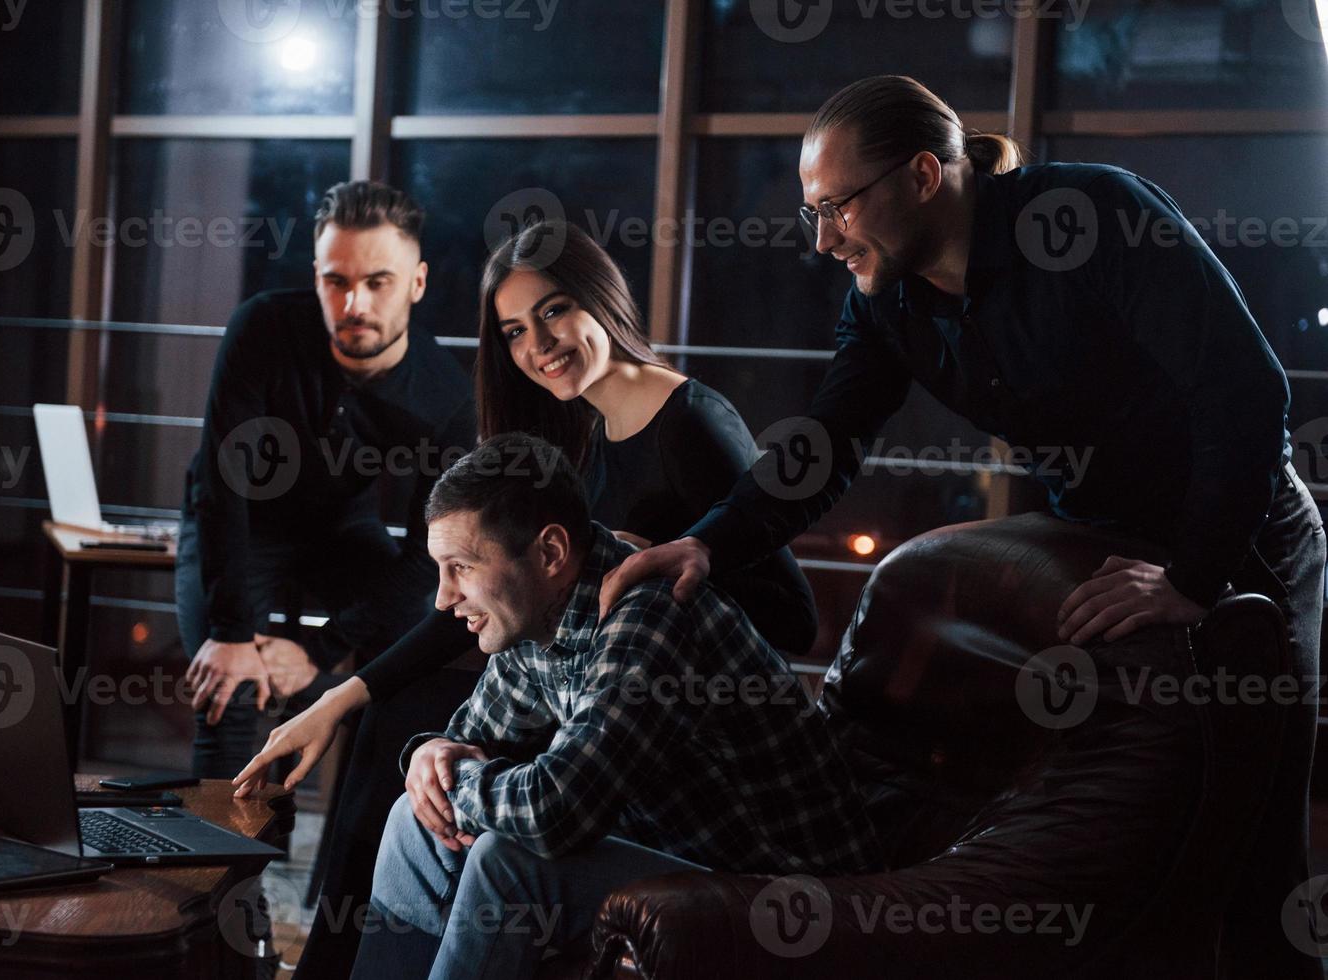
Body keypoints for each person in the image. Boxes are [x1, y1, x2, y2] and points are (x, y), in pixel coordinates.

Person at [597, 74, 1326, 977]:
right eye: (809, 213)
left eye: (836, 208)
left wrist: (1192, 577)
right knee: (1133, 849)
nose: (821, 239)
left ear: (920, 176)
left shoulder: (1088, 213)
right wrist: (710, 539)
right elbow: (826, 442)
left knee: (1254, 861)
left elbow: (1245, 394)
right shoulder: (883, 298)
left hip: (1244, 536)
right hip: (1098, 536)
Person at [232, 222, 819, 974]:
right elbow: (483, 599)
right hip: (594, 684)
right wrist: (343, 698)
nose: (536, 345)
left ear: (601, 299)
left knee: (478, 810)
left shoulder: (693, 422)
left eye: (552, 311)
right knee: (407, 755)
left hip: (674, 711)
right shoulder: (573, 427)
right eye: (513, 329)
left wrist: (673, 563)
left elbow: (793, 618)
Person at [346, 432, 882, 980]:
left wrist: (452, 773)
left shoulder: (647, 615)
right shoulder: (538, 615)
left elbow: (553, 814)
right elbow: (470, 741)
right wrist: (431, 754)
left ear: (549, 553)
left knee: (507, 862)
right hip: (687, 861)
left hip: (792, 902)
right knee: (413, 821)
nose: (442, 596)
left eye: (460, 567)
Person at [176, 180, 476, 778]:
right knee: (228, 687)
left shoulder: (445, 394)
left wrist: (318, 653)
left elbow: (426, 555)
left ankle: (359, 848)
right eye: (335, 281)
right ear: (316, 276)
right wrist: (233, 633)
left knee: (411, 642)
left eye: (377, 282)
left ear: (416, 282)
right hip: (243, 524)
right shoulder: (262, 327)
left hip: (341, 530)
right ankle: (227, 870)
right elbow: (221, 484)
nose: (353, 304)